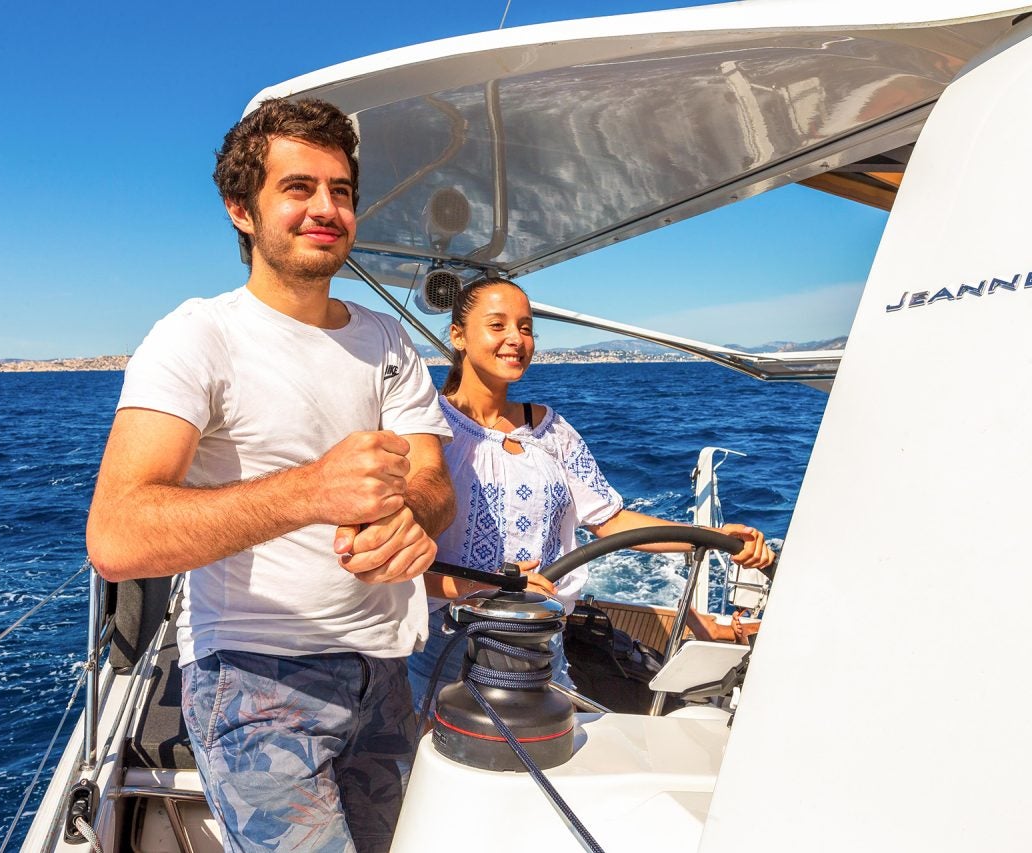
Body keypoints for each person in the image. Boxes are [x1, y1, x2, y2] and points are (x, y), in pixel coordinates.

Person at [85, 98, 455, 853]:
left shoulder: (387, 339)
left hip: (386, 671)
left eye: (341, 190)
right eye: (298, 188)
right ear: (240, 210)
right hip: (256, 680)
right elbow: (116, 533)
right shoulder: (199, 336)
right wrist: (309, 490)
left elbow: (436, 482)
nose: (327, 208)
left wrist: (413, 514)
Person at [409, 277, 774, 710]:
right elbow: (400, 563)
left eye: (525, 328)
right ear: (458, 335)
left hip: (541, 644)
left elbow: (611, 521)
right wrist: (486, 588)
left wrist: (709, 537)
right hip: (446, 648)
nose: (515, 339)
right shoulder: (425, 427)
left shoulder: (551, 429)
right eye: (498, 325)